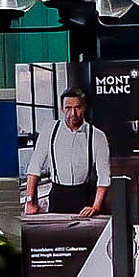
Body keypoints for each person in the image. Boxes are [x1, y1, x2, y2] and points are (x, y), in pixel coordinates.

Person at [23, 87, 111, 218]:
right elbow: (35, 166)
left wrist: (96, 206)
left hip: (85, 195)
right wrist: (30, 200)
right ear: (62, 109)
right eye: (68, 108)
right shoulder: (50, 130)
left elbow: (104, 176)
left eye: (77, 108)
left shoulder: (97, 136)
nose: (73, 113)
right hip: (58, 195)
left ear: (84, 108)